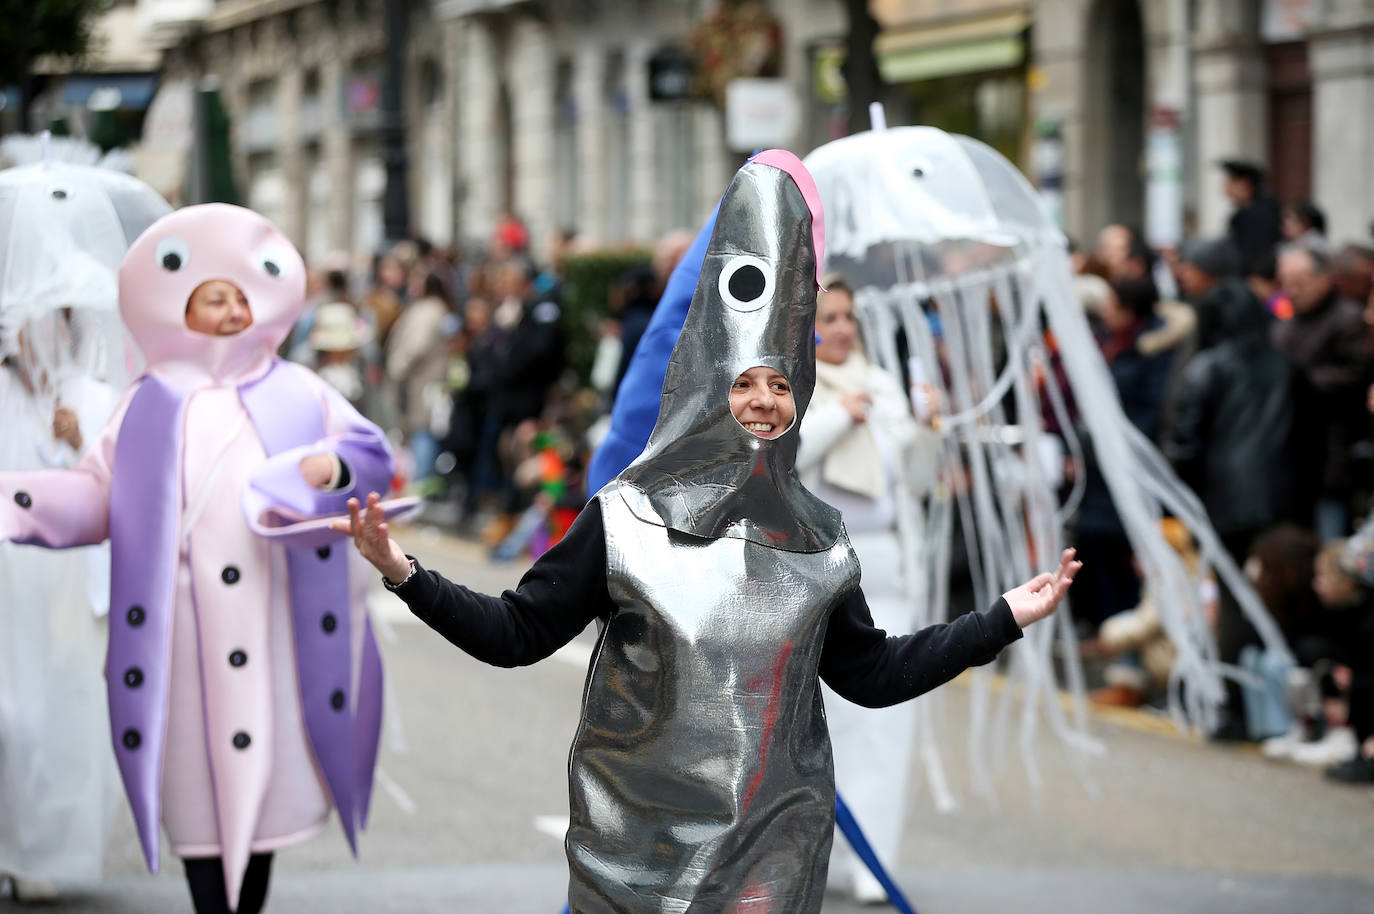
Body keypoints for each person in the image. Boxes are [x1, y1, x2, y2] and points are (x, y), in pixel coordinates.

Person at [340, 151, 1079, 914]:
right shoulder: (625, 517)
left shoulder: (819, 540)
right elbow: (519, 632)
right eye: (744, 383)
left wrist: (1000, 620)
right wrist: (404, 572)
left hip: (771, 866)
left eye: (781, 384)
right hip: (636, 859)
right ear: (707, 383)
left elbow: (873, 674)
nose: (762, 402)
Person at [0, 204, 409, 914]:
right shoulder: (149, 401)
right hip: (179, 634)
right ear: (181, 308)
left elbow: (369, 457)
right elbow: (99, 494)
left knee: (270, 786)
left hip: (277, 619)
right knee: (196, 795)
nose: (230, 310)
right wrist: (20, 501)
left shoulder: (299, 389)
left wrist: (324, 468)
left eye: (240, 296)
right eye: (212, 297)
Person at [792, 274, 939, 904]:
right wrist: (834, 417)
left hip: (888, 569)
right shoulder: (789, 385)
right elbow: (783, 459)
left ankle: (873, 860)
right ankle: (807, 851)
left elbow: (917, 479)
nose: (843, 328)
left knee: (887, 716)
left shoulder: (883, 387)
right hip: (816, 570)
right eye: (829, 317)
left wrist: (928, 428)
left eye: (850, 316)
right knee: (821, 718)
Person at [0, 314, 122, 903]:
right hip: (8, 582)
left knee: (49, 711)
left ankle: (33, 846)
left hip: (63, 589)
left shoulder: (93, 398)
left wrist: (80, 444)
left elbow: (124, 490)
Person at [1167, 237, 1295, 740]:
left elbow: (1185, 445)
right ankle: (1277, 709)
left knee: (1234, 605)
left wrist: (1184, 501)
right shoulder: (1285, 368)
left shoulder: (1207, 368)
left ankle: (1232, 708)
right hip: (1279, 504)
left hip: (1221, 507)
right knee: (1271, 599)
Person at [1273, 244, 1373, 538]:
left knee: (1331, 538)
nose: (1292, 290)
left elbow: (1355, 374)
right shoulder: (1284, 323)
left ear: (1324, 278)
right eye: (1285, 282)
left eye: (1299, 282)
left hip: (1333, 449)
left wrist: (1298, 382)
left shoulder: (1349, 318)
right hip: (1293, 454)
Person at [387, 270, 455, 485]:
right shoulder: (434, 309)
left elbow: (417, 346)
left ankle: (420, 487)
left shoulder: (429, 311)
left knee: (423, 432)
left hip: (423, 383)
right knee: (421, 433)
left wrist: (398, 366)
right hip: (422, 383)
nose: (411, 285)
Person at [1219, 159, 1283, 268]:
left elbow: (1250, 256)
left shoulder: (1256, 215)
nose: (1226, 188)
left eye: (1230, 182)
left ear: (1245, 184)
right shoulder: (1257, 209)